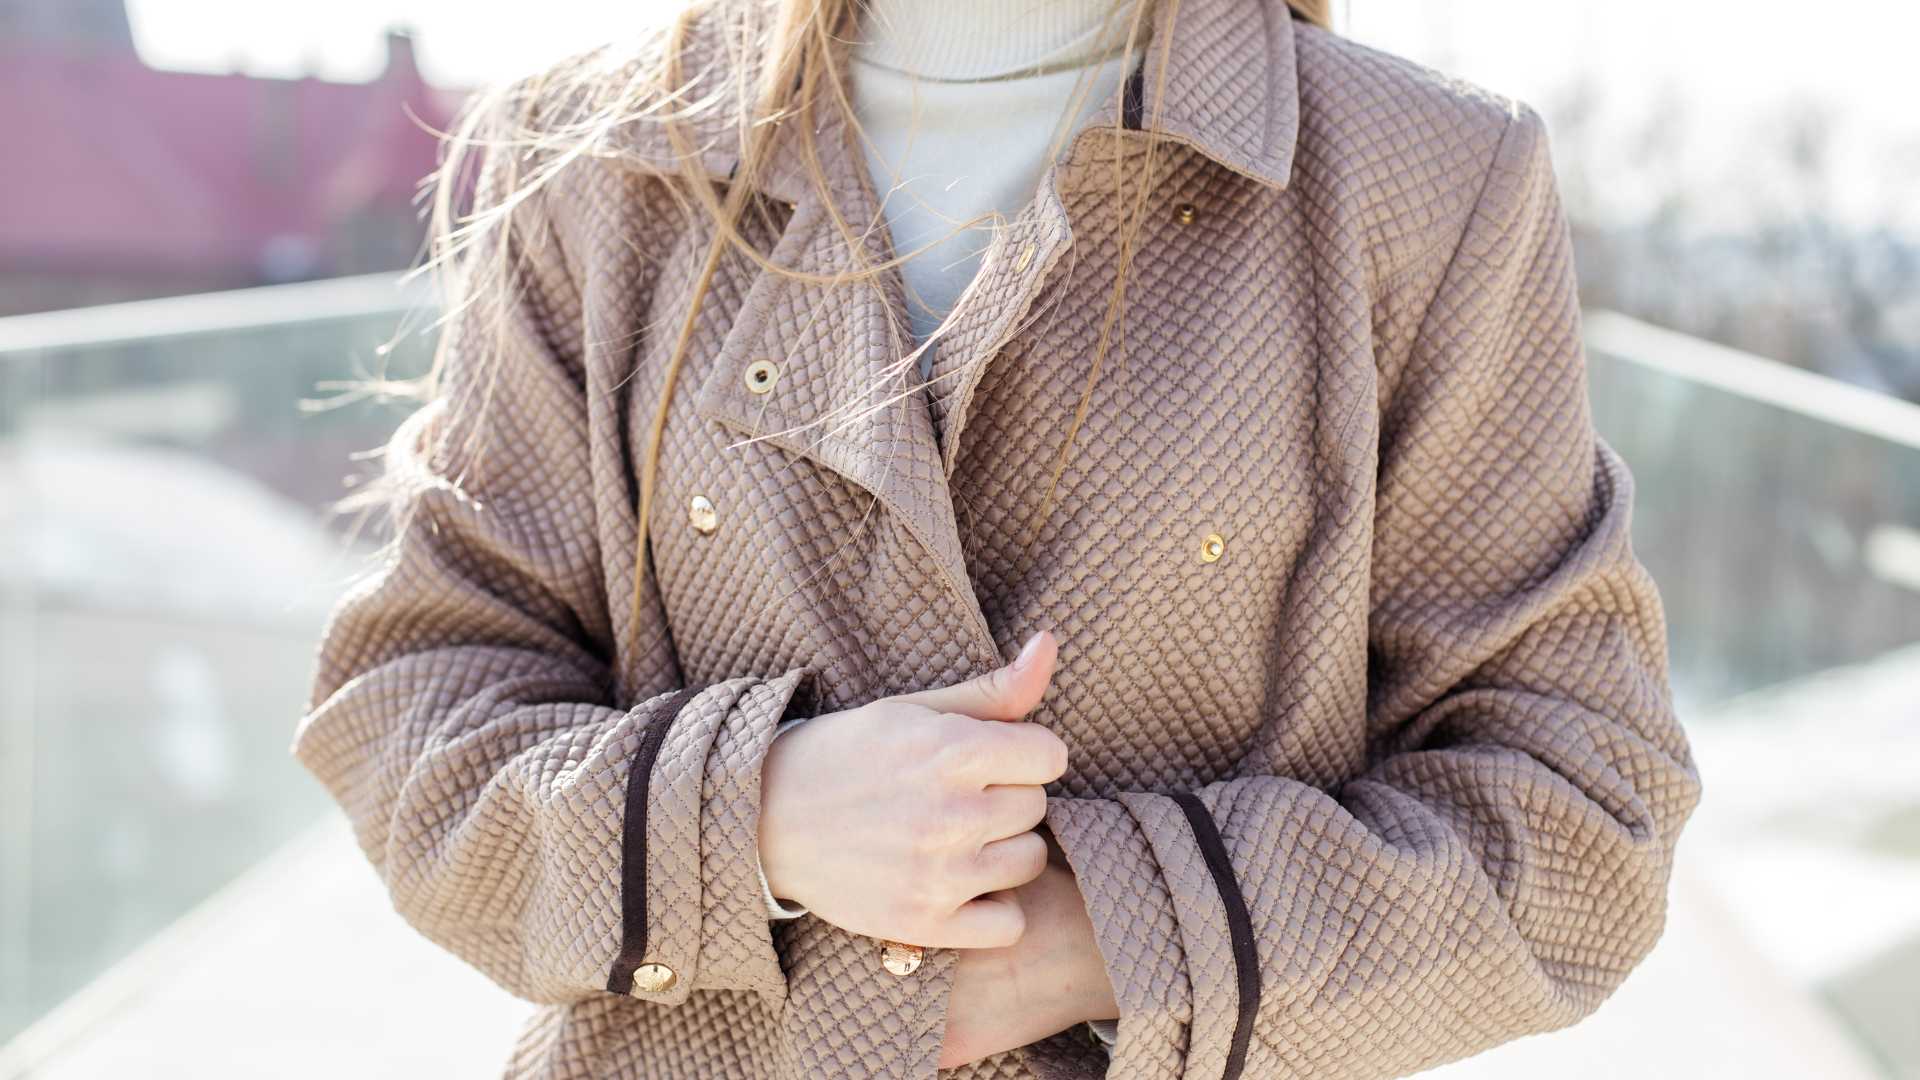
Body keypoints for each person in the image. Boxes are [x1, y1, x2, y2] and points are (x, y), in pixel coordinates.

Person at [292, 0, 1703, 1075]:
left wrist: (1107, 933)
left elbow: (1580, 816)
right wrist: (755, 812)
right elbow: (417, 718)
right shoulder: (596, 162)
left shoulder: (1424, 182)